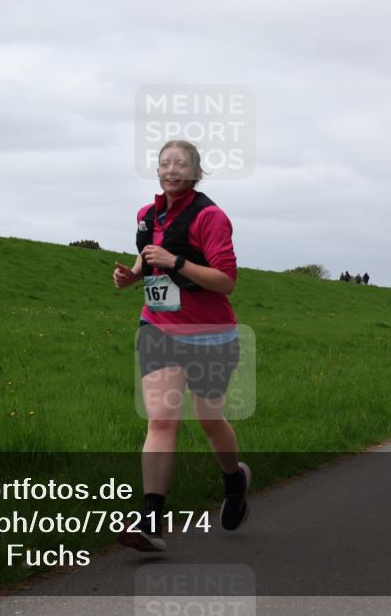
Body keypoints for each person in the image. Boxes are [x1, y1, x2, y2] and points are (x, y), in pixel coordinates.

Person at [112, 140, 249, 552]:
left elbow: (226, 281)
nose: (171, 170)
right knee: (161, 420)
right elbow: (148, 257)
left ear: (196, 171)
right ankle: (151, 520)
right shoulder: (147, 214)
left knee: (209, 420)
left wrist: (177, 263)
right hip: (158, 329)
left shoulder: (210, 217)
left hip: (210, 335)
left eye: (180, 164)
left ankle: (234, 481)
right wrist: (133, 275)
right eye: (164, 163)